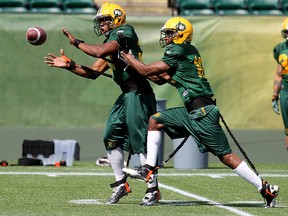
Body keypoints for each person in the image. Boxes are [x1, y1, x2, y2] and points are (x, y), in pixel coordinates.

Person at [121, 17, 279, 208]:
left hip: (202, 112)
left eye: (170, 33)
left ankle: (265, 188)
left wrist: (128, 56)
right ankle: (149, 169)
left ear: (181, 34)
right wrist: (134, 65)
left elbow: (146, 71)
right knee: (155, 120)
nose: (167, 37)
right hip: (192, 111)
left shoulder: (178, 49)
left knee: (226, 157)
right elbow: (159, 78)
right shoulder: (186, 51)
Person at [44, 2, 161, 206]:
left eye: (104, 20)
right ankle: (120, 185)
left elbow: (99, 52)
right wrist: (69, 65)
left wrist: (76, 42)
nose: (102, 25)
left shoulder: (125, 32)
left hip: (139, 93)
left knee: (139, 141)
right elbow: (93, 73)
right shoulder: (112, 42)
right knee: (111, 136)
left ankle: (153, 189)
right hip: (126, 94)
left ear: (116, 20)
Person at [272, 17, 288, 152]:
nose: (287, 35)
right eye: (286, 32)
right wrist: (274, 96)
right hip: (286, 92)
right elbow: (279, 74)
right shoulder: (280, 49)